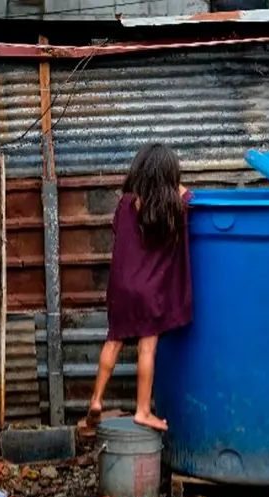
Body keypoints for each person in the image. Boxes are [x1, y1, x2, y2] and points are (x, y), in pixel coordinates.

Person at [87, 144, 193, 432]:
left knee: (114, 340)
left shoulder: (124, 205)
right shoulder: (175, 207)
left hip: (120, 288)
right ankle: (143, 410)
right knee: (147, 349)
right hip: (150, 293)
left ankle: (96, 399)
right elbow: (187, 194)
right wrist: (173, 185)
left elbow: (118, 230)